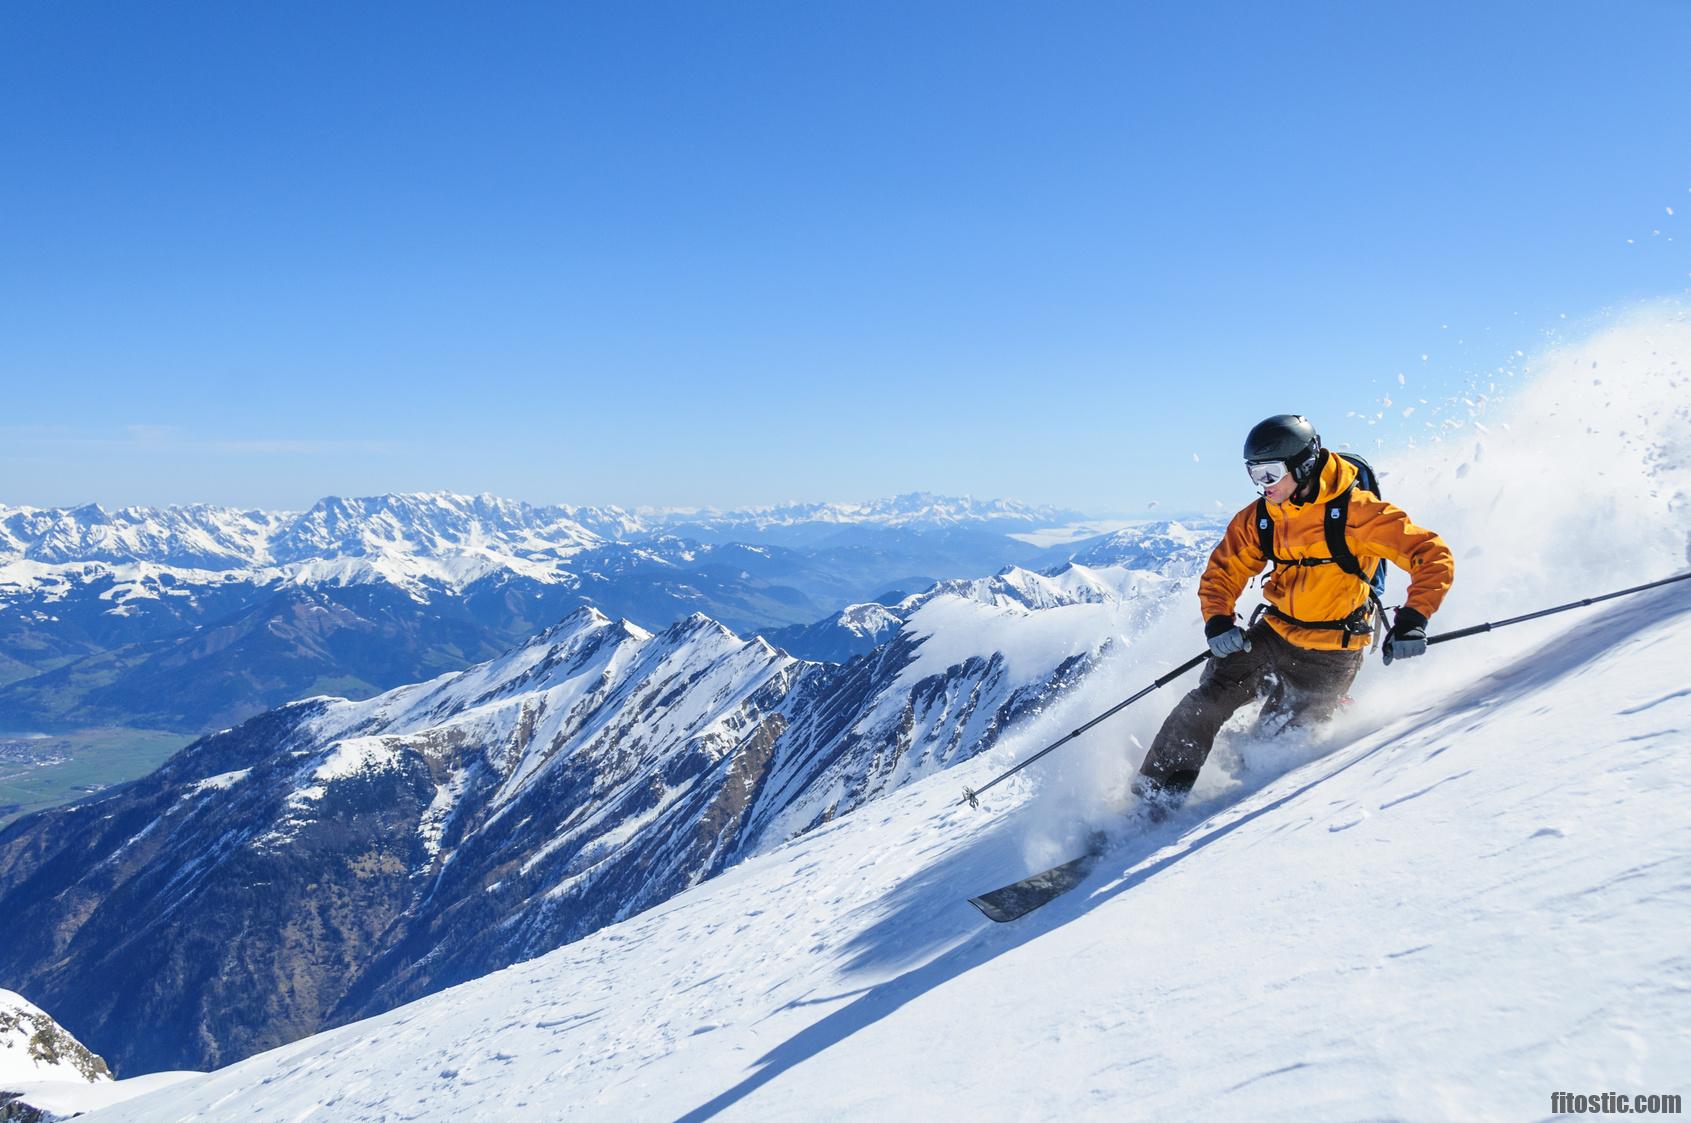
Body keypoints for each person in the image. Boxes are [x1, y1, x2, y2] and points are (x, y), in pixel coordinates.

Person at [1132, 414, 1455, 817]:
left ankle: (1233, 796)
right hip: (1272, 633)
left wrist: (1412, 620)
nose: (1262, 485)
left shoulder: (1358, 513)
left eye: (1270, 473)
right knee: (1204, 703)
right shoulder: (1262, 517)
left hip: (1331, 651)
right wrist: (1218, 620)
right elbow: (1223, 572)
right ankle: (1151, 805)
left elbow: (1432, 556)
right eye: (1254, 474)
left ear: (1302, 465)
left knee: (1273, 743)